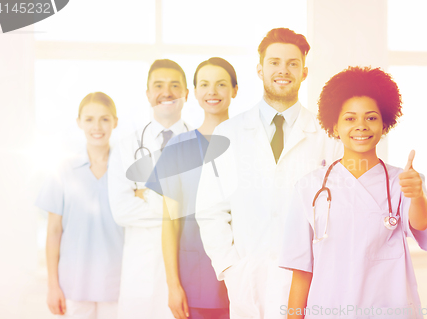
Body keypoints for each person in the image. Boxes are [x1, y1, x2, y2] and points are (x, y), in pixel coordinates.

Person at [194, 28, 342, 319]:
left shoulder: (327, 137)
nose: (283, 70)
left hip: (308, 283)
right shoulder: (228, 133)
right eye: (274, 62)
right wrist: (230, 269)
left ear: (304, 72)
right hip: (248, 281)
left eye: (292, 63)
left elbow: (339, 212)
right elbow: (210, 210)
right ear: (260, 69)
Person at [279, 66, 427, 319]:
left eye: (371, 118)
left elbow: (420, 223)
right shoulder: (310, 187)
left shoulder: (403, 181)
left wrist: (417, 195)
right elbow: (301, 271)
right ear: (335, 126)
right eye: (350, 118)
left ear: (385, 124)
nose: (361, 126)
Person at [146, 57, 237, 319]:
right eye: (205, 84)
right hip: (195, 280)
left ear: (235, 90)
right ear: (194, 92)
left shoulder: (248, 144)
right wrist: (173, 285)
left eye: (221, 84)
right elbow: (170, 222)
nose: (212, 91)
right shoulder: (177, 149)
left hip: (243, 277)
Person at [107, 59, 191, 319]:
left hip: (187, 268)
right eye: (159, 85)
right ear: (148, 94)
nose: (167, 92)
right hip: (141, 273)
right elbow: (121, 211)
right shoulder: (126, 146)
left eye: (175, 85)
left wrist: (146, 195)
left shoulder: (200, 144)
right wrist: (174, 206)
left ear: (186, 94)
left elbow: (201, 211)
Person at [35, 92, 124, 319]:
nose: (97, 126)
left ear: (115, 121)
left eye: (105, 119)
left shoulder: (126, 170)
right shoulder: (63, 170)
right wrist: (52, 286)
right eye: (89, 119)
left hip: (118, 284)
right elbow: (54, 232)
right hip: (73, 286)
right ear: (79, 122)